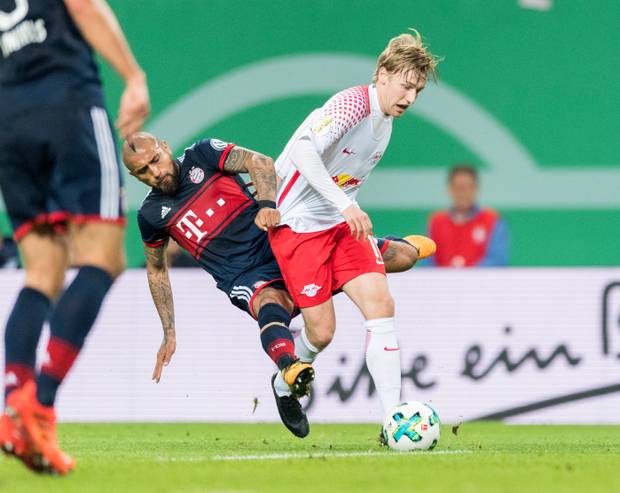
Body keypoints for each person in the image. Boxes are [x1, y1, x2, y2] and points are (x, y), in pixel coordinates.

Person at [121, 132, 435, 439]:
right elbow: (157, 271)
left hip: (282, 244)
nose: (155, 173)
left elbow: (260, 161)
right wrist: (169, 331)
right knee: (271, 303)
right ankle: (288, 367)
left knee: (403, 258)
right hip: (245, 274)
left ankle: (395, 245)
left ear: (165, 147)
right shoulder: (151, 215)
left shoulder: (202, 155)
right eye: (142, 172)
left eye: (155, 160)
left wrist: (266, 205)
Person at [0, 0, 150, 475]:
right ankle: (40, 405)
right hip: (67, 104)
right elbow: (82, 5)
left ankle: (13, 406)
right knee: (102, 259)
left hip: (7, 123)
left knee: (42, 273)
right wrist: (133, 76)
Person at [268, 30, 439, 437]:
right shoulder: (352, 104)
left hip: (340, 228)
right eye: (405, 85)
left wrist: (345, 211)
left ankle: (393, 421)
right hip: (298, 228)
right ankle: (282, 385)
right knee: (321, 333)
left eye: (417, 90)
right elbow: (303, 151)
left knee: (381, 305)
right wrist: (345, 205)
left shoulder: (386, 122)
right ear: (382, 74)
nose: (410, 97)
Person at [427, 164, 510, 267]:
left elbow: (497, 261)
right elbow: (427, 262)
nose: (463, 193)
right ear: (449, 189)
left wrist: (465, 274)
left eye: (468, 187)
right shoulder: (436, 222)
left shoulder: (493, 220)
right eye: (458, 187)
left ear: (476, 189)